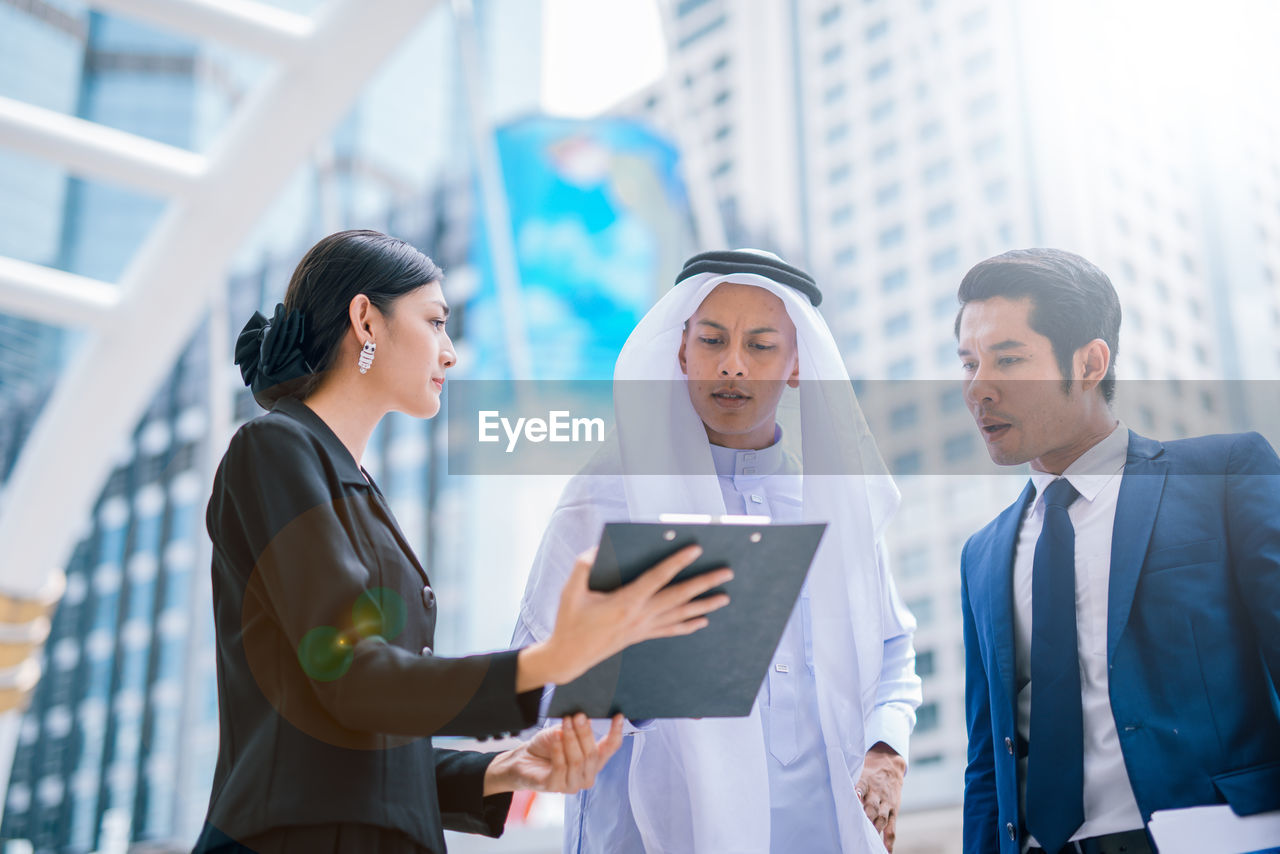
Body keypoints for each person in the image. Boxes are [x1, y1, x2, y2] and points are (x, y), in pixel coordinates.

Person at [196, 230, 732, 854]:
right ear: (366, 319)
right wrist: (547, 663)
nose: (450, 354)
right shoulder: (275, 449)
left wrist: (508, 768)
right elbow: (350, 676)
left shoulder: (352, 485)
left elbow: (360, 741)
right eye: (436, 322)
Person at [514, 249, 922, 854]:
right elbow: (529, 678)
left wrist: (887, 753)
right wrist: (646, 685)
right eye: (712, 341)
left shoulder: (833, 504)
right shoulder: (608, 493)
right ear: (681, 353)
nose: (733, 366)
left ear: (796, 365)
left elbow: (893, 651)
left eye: (760, 346)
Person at [955, 248, 1280, 854]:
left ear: (1088, 362)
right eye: (968, 363)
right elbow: (985, 761)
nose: (978, 388)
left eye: (1008, 359)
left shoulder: (1225, 475)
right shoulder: (982, 554)